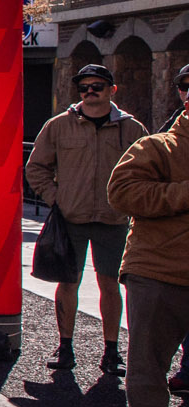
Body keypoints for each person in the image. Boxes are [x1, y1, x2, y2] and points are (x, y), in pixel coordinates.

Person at [26, 62, 145, 376]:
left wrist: (132, 202)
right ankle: (65, 348)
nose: (90, 92)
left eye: (97, 86)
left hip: (114, 219)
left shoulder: (132, 128)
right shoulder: (58, 125)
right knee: (68, 282)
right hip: (71, 218)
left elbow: (146, 172)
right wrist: (57, 199)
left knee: (111, 285)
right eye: (84, 87)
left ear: (112, 90)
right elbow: (36, 167)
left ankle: (111, 352)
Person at [105, 64, 189, 407]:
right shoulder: (159, 146)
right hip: (159, 273)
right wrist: (182, 193)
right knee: (146, 366)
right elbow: (121, 193)